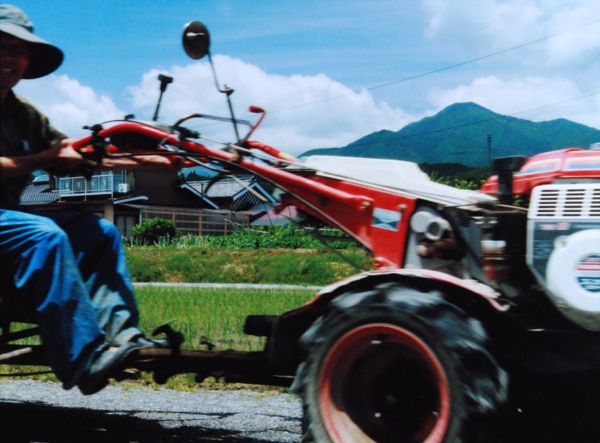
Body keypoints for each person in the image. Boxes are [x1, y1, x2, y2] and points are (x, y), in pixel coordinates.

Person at [0, 4, 179, 395]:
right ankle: (83, 357)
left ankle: (123, 338)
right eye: (1, 46)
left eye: (17, 49)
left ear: (28, 60)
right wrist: (44, 159)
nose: (9, 57)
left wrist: (139, 155)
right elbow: (46, 158)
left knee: (100, 232)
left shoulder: (23, 113)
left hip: (8, 218)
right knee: (43, 234)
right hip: (15, 224)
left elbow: (69, 155)